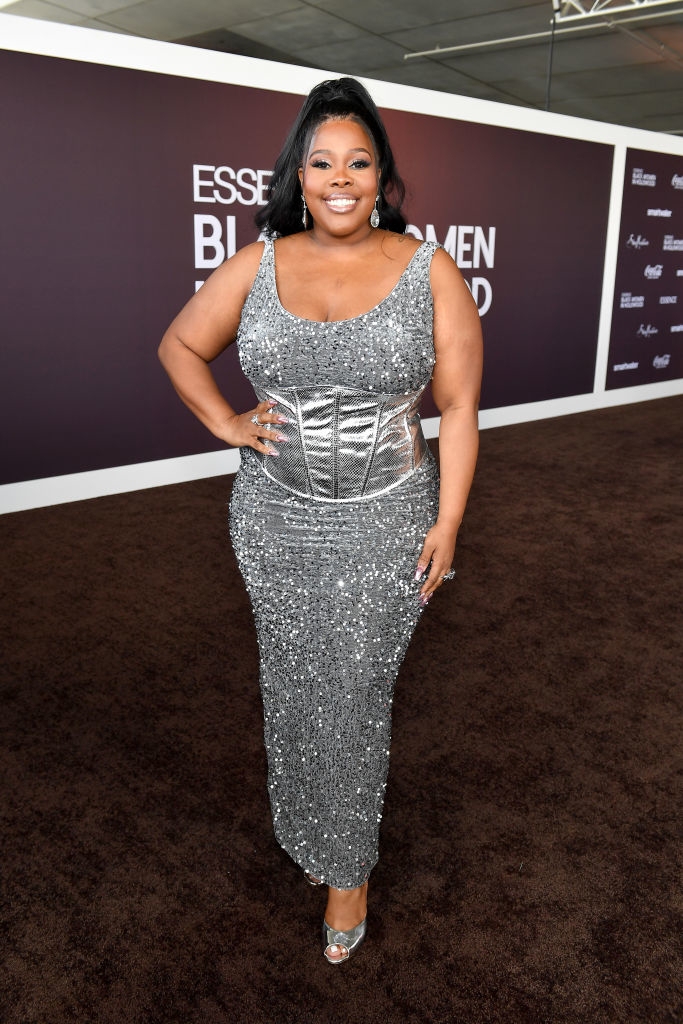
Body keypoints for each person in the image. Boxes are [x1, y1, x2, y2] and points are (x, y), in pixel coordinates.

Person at [158, 76, 483, 964]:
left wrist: (448, 521)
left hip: (387, 519)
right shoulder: (256, 265)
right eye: (321, 163)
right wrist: (226, 423)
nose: (339, 178)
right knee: (296, 683)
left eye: (358, 162)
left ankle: (348, 870)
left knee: (353, 694)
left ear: (381, 177)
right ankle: (310, 830)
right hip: (272, 518)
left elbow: (455, 408)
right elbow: (179, 344)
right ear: (298, 178)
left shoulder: (429, 270)